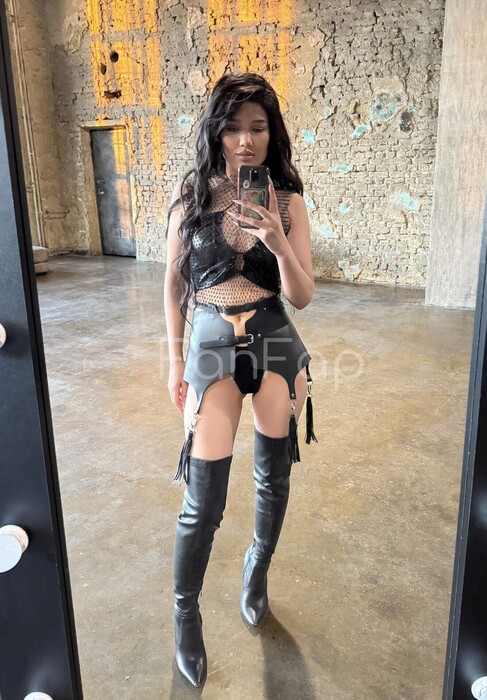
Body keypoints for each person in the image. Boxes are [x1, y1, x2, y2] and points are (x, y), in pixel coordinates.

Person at [164, 72, 317, 689]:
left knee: (273, 478)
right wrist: (174, 363)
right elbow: (173, 288)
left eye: (258, 127)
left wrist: (278, 241)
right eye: (233, 128)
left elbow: (302, 295)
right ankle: (186, 614)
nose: (245, 140)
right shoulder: (191, 197)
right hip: (210, 349)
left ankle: (257, 569)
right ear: (216, 132)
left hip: (276, 343)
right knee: (203, 500)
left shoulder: (288, 201)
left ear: (271, 133)